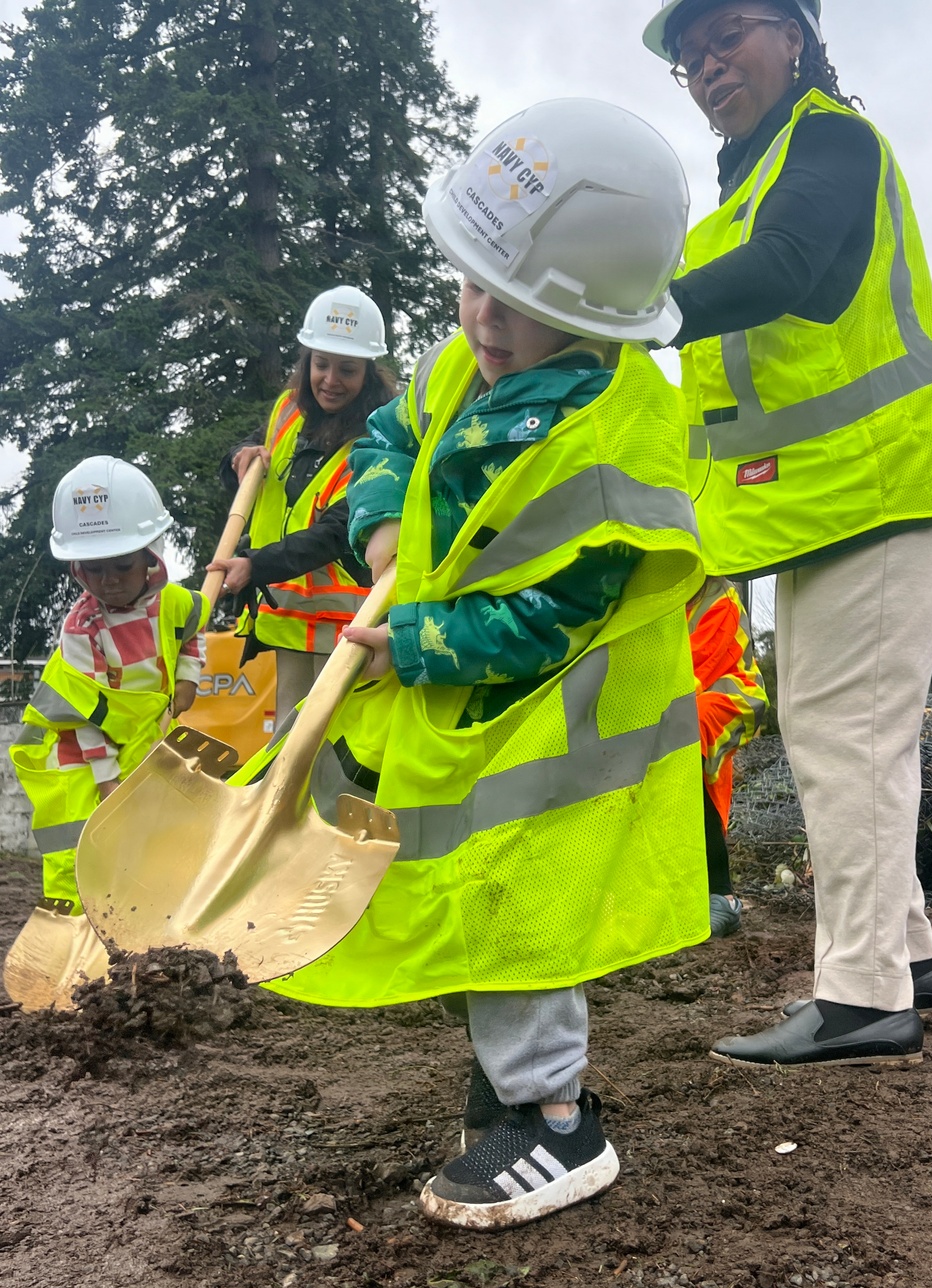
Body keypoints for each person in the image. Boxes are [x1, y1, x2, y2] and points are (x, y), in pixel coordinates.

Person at [236, 98, 707, 1228]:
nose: (482, 319)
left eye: (519, 304)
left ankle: (558, 1125)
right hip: (469, 714)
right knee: (470, 901)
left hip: (557, 725)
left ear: (593, 316)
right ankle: (512, 1086)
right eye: (470, 284)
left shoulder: (608, 440)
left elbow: (557, 608)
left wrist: (420, 638)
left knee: (521, 910)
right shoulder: (465, 364)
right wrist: (382, 521)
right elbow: (396, 436)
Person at [641, 0, 932, 1066]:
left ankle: (861, 996)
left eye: (726, 35)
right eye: (689, 55)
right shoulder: (742, 179)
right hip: (822, 498)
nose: (707, 64)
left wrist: (638, 310)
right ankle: (910, 954)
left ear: (792, 35)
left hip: (887, 479)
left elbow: (793, 267)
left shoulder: (830, 137)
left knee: (854, 734)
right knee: (825, 725)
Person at [10, 456, 208, 915]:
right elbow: (82, 715)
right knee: (80, 836)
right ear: (77, 569)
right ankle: (71, 914)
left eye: (122, 565)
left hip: (138, 734)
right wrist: (105, 779)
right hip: (77, 748)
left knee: (145, 832)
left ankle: (140, 915)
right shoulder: (82, 630)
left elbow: (190, 633)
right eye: (94, 570)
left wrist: (187, 678)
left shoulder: (177, 603)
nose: (110, 581)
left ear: (149, 558)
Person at [208, 286, 398, 721]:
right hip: (289, 611)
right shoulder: (288, 410)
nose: (330, 380)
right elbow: (253, 456)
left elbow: (334, 533)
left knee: (329, 740)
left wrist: (255, 566)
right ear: (307, 361)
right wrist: (239, 457)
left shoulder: (377, 440)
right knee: (284, 740)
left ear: (368, 372)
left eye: (347, 369)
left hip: (348, 620)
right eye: (321, 364)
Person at [688, 577, 767, 937]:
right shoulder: (649, 588)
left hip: (734, 696)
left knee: (687, 729)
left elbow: (694, 674)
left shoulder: (719, 597)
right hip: (687, 702)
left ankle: (721, 893)